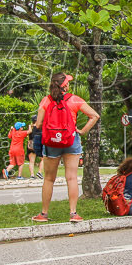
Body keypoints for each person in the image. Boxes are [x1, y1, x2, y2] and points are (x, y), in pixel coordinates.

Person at [32, 72, 100, 223]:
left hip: (51, 143)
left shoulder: (45, 101)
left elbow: (38, 124)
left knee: (49, 179)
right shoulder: (74, 100)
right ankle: (73, 213)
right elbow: (95, 116)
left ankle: (43, 214)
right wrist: (82, 131)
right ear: (65, 85)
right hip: (71, 140)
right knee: (71, 178)